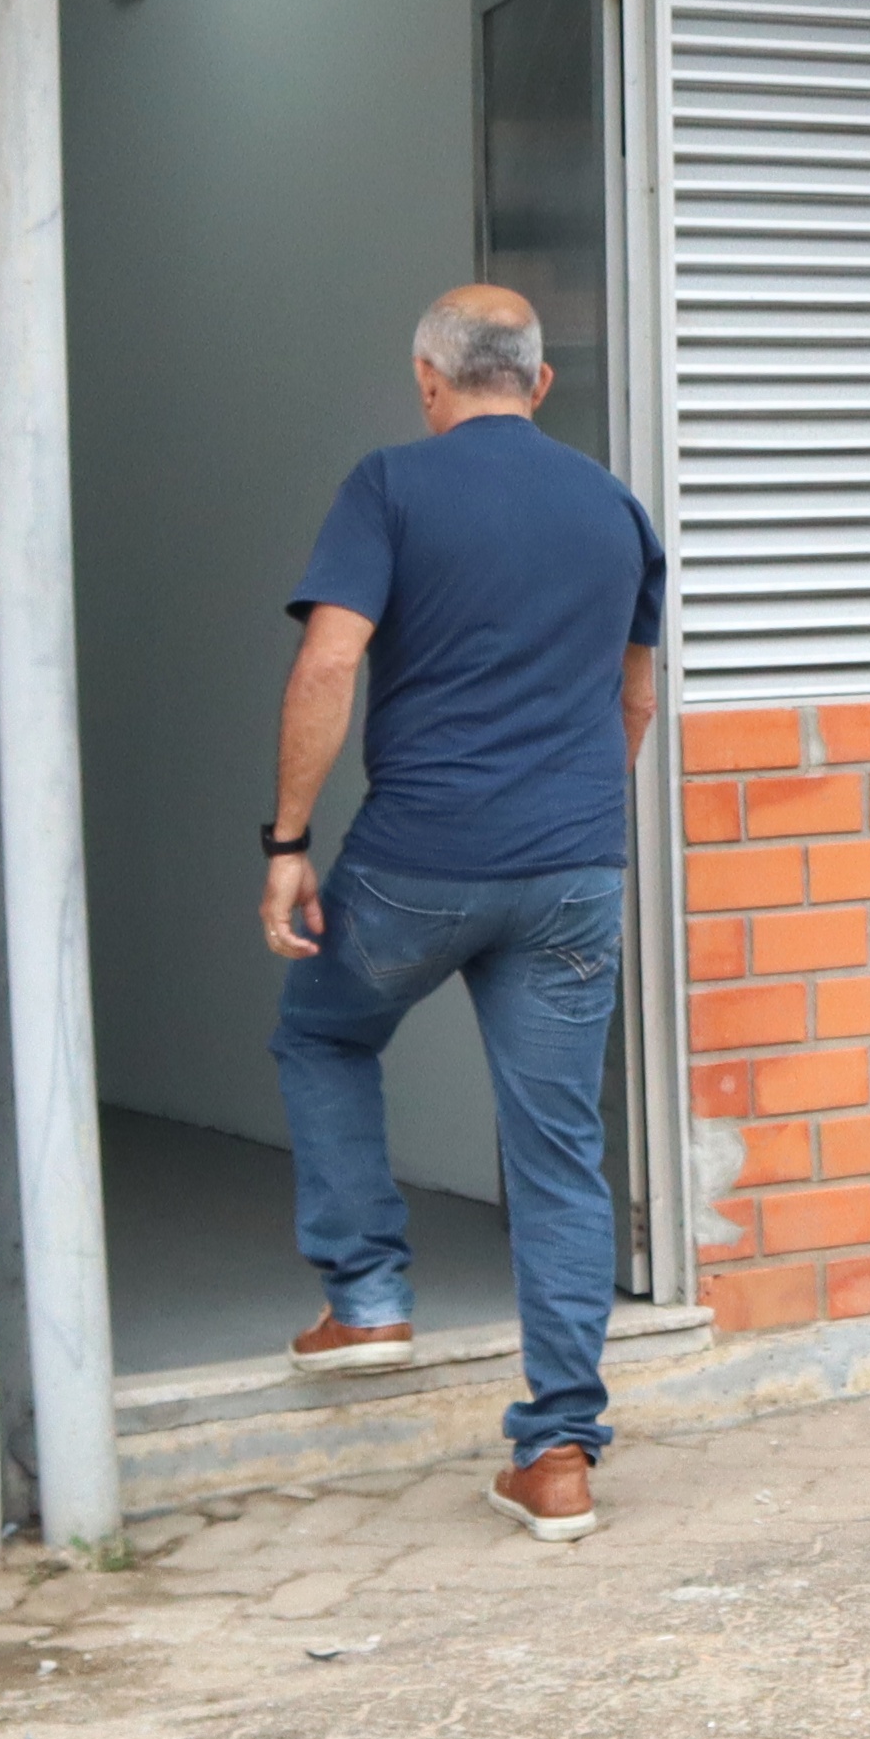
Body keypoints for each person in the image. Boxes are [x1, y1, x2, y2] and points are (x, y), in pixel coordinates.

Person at [263, 282, 666, 1547]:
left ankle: (368, 1296)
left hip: (420, 862)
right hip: (573, 869)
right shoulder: (614, 507)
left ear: (429, 381)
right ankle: (558, 1456)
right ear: (540, 383)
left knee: (323, 1031)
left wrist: (287, 844)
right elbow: (635, 698)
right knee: (557, 1149)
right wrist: (573, 820)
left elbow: (331, 660)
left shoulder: (389, 486)